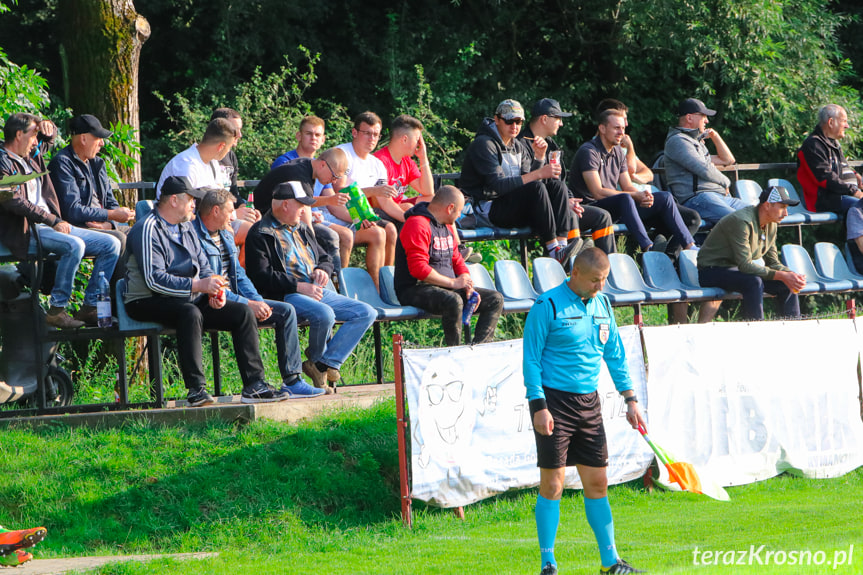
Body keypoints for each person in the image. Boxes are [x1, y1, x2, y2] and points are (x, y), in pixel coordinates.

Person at [523, 248, 646, 575]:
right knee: (553, 485)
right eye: (595, 280)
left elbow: (615, 356)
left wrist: (630, 399)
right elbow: (531, 360)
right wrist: (538, 407)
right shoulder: (546, 306)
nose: (599, 287)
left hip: (589, 404)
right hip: (554, 404)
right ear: (574, 273)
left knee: (598, 483)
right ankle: (548, 563)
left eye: (604, 281)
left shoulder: (603, 305)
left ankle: (610, 564)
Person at [124, 175, 289, 406]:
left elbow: (203, 268)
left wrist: (214, 293)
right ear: (173, 200)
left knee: (242, 312)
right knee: (190, 313)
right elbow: (154, 280)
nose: (194, 205)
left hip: (188, 297)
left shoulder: (186, 227)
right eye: (191, 199)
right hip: (146, 300)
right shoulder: (146, 228)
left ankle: (254, 385)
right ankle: (196, 390)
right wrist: (198, 286)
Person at [245, 181, 377, 393]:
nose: (305, 210)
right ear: (285, 205)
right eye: (301, 205)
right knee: (324, 314)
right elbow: (261, 277)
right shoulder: (260, 233)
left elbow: (324, 257)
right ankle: (317, 362)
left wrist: (323, 269)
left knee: (366, 312)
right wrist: (299, 286)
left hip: (314, 289)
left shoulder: (303, 228)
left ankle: (322, 364)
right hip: (285, 294)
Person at [193, 188, 324, 398]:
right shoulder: (193, 237)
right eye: (230, 211)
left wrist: (258, 301)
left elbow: (239, 275)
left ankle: (293, 381)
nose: (234, 216)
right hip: (209, 301)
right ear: (215, 211)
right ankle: (255, 385)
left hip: (235, 298)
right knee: (244, 313)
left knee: (286, 311)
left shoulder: (226, 233)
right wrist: (248, 304)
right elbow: (212, 285)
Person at [0, 113, 120, 328]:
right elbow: (14, 201)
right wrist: (52, 219)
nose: (37, 141)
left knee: (111, 244)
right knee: (74, 245)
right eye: (33, 135)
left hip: (50, 226)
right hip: (28, 230)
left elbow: (50, 139)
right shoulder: (3, 162)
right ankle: (57, 309)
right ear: (19, 134)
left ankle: (90, 306)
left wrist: (49, 125)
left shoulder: (31, 155)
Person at [460, 99, 582, 268]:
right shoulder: (484, 144)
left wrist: (539, 158)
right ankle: (554, 251)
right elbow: (499, 185)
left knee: (557, 186)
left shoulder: (517, 145)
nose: (514, 126)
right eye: (509, 121)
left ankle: (561, 246)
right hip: (487, 209)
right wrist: (539, 171)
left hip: (509, 204)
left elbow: (527, 178)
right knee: (538, 186)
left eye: (519, 122)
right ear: (497, 119)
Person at [568, 108, 696, 254]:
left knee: (665, 197)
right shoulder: (589, 151)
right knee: (625, 198)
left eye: (623, 128)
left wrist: (644, 196)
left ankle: (689, 246)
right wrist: (635, 195)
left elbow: (627, 185)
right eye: (616, 128)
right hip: (591, 208)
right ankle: (648, 248)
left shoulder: (617, 151)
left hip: (618, 207)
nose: (621, 133)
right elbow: (597, 192)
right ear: (602, 128)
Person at [394, 185, 503, 346]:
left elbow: (457, 259)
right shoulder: (417, 224)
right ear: (450, 208)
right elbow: (418, 269)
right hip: (414, 288)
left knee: (495, 299)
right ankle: (455, 353)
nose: (459, 215)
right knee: (453, 301)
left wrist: (466, 282)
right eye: (459, 211)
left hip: (444, 287)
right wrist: (453, 283)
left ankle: (480, 351)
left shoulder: (445, 227)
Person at [519, 98, 616, 254]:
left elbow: (560, 181)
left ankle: (609, 270)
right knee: (569, 215)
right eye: (558, 118)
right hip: (538, 210)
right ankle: (570, 262)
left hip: (559, 205)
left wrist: (569, 199)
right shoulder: (521, 144)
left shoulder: (551, 144)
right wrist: (564, 203)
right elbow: (528, 187)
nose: (561, 123)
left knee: (602, 216)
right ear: (544, 119)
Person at [697, 185, 806, 321]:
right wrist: (781, 275)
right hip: (711, 270)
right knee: (754, 282)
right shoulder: (742, 221)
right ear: (767, 205)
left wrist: (791, 275)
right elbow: (745, 265)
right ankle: (755, 330)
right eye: (782, 207)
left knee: (786, 284)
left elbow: (772, 262)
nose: (786, 214)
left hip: (735, 270)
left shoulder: (771, 224)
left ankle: (791, 331)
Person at [49, 114, 134, 283]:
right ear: (83, 138)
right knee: (119, 238)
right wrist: (111, 215)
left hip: (103, 225)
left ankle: (137, 297)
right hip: (77, 227)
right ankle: (108, 302)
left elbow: (111, 203)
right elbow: (72, 210)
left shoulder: (98, 164)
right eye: (98, 138)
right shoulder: (62, 163)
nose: (102, 143)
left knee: (141, 233)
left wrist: (109, 223)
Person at [265, 117, 353, 275]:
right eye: (309, 134)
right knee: (329, 237)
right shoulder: (290, 164)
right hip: (275, 216)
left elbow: (332, 204)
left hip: (302, 214)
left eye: (318, 135)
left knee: (344, 235)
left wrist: (359, 219)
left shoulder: (317, 169)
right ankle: (325, 278)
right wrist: (312, 241)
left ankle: (339, 281)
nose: (313, 138)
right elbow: (295, 203)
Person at [329, 111, 399, 272]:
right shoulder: (342, 154)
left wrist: (407, 216)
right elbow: (338, 190)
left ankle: (386, 281)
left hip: (362, 214)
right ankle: (371, 283)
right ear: (354, 132)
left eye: (376, 135)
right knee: (378, 233)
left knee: (391, 230)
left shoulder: (377, 164)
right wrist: (373, 190)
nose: (372, 139)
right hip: (338, 213)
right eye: (367, 133)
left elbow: (384, 200)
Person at [664, 98, 744, 225]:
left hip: (719, 197)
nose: (707, 120)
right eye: (703, 116)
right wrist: (726, 182)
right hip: (698, 198)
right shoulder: (678, 141)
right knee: (739, 221)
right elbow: (704, 169)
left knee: (758, 214)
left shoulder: (696, 142)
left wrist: (715, 136)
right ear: (689, 118)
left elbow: (728, 160)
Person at [797, 104, 862, 213]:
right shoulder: (813, 144)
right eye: (844, 121)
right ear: (831, 122)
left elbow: (841, 166)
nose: (847, 126)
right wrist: (854, 191)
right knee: (860, 206)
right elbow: (825, 177)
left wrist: (855, 175)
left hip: (842, 196)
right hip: (825, 200)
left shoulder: (833, 144)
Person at [371, 114, 434, 224]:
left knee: (434, 201)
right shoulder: (380, 161)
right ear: (404, 139)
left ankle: (453, 241)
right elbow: (383, 203)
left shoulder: (407, 161)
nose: (419, 145)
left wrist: (423, 158)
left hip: (397, 205)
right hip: (379, 211)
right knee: (408, 207)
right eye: (417, 139)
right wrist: (410, 219)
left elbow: (427, 191)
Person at [209, 107, 262, 233]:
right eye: (235, 129)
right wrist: (235, 213)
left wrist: (246, 208)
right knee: (254, 232)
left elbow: (233, 192)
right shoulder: (206, 157)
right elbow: (206, 202)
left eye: (240, 129)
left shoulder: (231, 156)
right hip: (215, 218)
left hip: (229, 213)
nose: (240, 135)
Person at [155, 118, 238, 198]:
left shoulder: (213, 162)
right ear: (221, 146)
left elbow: (220, 196)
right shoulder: (187, 164)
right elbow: (185, 206)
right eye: (230, 147)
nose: (229, 151)